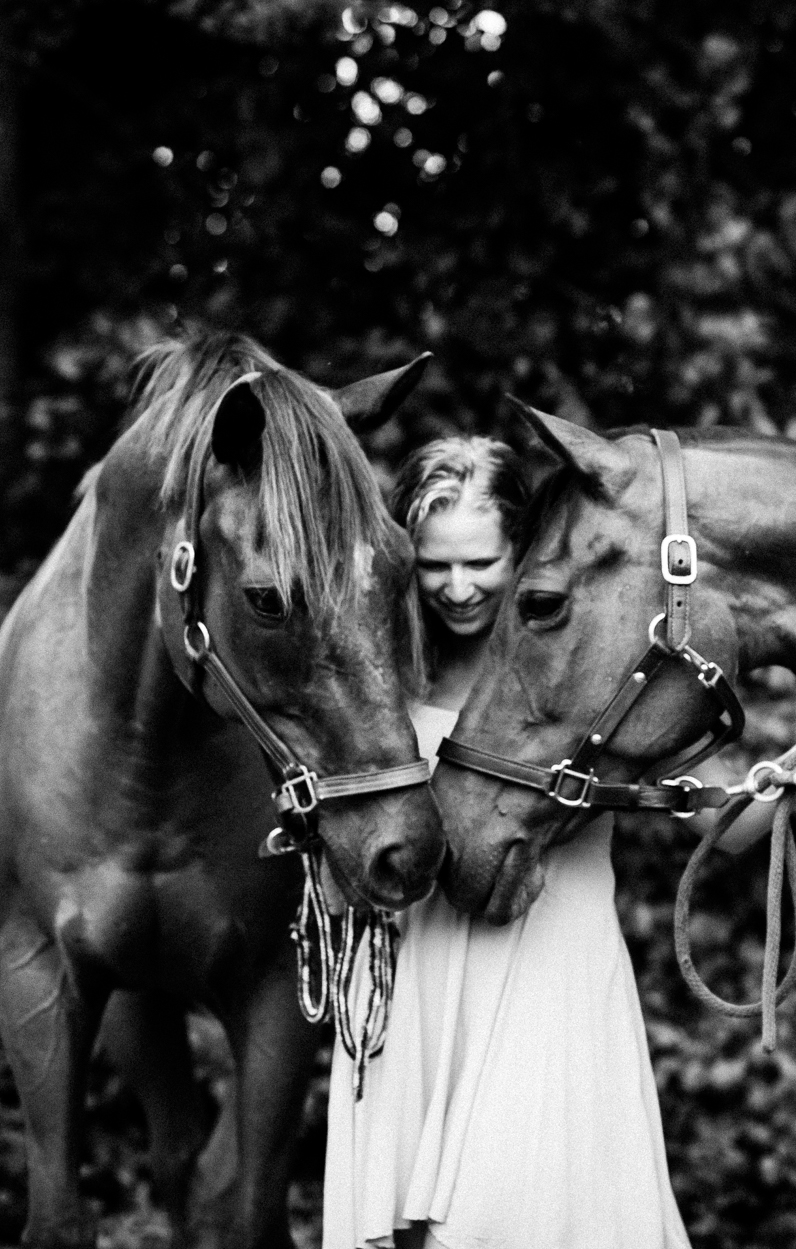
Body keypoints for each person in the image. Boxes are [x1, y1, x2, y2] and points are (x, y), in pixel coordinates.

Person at [322, 435, 695, 1249]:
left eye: (481, 562)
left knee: (529, 1211)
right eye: (433, 565)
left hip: (547, 967)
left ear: (523, 551)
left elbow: (719, 819)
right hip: (413, 969)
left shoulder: (579, 672)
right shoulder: (378, 681)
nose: (456, 588)